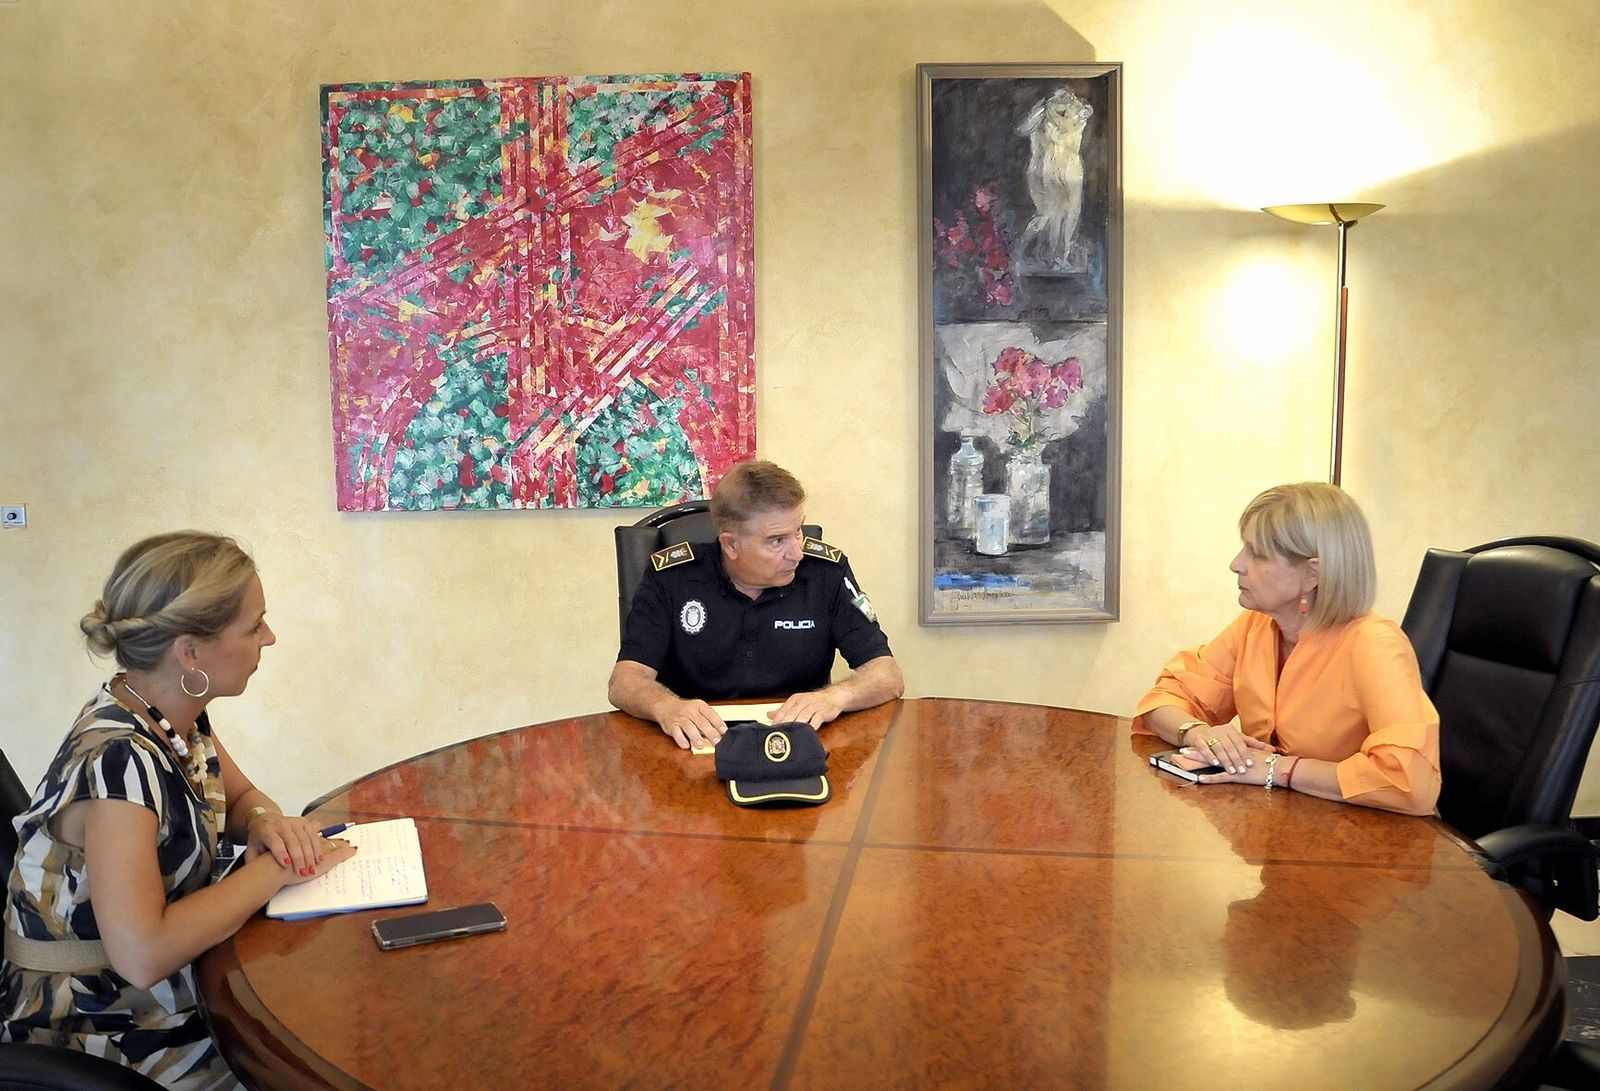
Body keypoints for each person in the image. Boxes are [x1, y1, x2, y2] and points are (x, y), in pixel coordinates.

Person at [1, 532, 357, 1090]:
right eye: (254, 626)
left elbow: (240, 799)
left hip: (171, 988)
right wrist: (277, 869)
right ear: (190, 652)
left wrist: (266, 823)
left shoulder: (169, 714)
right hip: (103, 1025)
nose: (269, 637)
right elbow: (142, 955)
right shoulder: (119, 763)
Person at [1132, 482, 1440, 815]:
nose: (1236, 564)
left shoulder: (1375, 644)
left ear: (1312, 573)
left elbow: (1408, 782)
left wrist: (1276, 769)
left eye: (1257, 553)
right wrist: (1198, 733)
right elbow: (1166, 699)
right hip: (1275, 822)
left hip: (1363, 833)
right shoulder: (1255, 625)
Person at [609, 459, 904, 750]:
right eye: (777, 541)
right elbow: (625, 682)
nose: (797, 553)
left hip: (796, 745)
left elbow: (886, 674)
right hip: (695, 744)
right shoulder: (672, 578)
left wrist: (834, 697)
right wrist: (667, 707)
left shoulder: (825, 574)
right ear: (731, 545)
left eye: (798, 531)